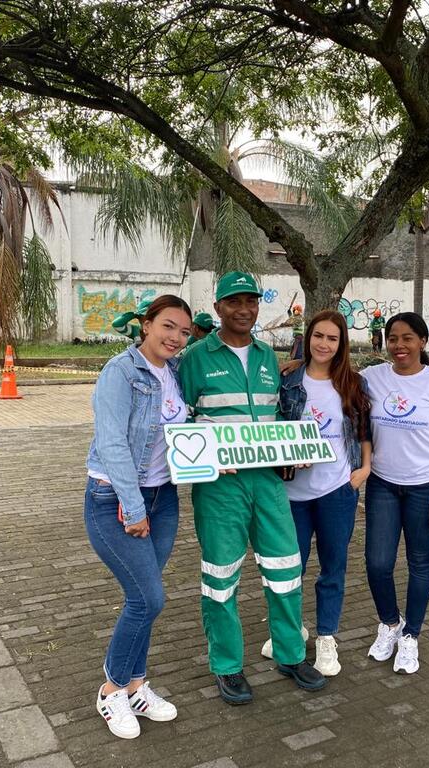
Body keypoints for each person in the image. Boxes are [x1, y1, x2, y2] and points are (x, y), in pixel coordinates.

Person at [178, 271, 326, 705]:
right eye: (234, 302)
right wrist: (206, 454)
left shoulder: (266, 356)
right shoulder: (195, 358)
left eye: (251, 301)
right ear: (218, 307)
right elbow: (179, 418)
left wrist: (294, 447)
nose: (244, 310)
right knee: (221, 577)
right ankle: (227, 666)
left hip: (267, 481)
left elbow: (277, 416)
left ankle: (290, 654)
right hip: (219, 487)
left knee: (286, 568)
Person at [85, 295, 192, 739]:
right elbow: (111, 443)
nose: (176, 337)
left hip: (163, 497)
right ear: (146, 325)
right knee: (147, 599)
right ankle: (111, 691)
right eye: (168, 326)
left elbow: (185, 432)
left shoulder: (176, 374)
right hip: (114, 497)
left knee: (143, 599)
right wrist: (132, 507)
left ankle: (135, 687)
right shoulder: (121, 372)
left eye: (184, 332)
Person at [271, 310, 373, 676]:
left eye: (332, 338)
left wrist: (363, 470)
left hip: (337, 490)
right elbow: (272, 427)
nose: (324, 344)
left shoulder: (353, 383)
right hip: (292, 493)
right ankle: (291, 631)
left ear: (341, 343)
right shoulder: (288, 380)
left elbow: (363, 431)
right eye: (318, 336)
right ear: (307, 337)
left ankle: (326, 636)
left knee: (333, 567)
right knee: (290, 569)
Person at [360, 311, 429, 675]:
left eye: (407, 338)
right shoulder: (372, 377)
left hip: (425, 487)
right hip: (382, 485)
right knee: (377, 563)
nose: (399, 345)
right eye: (393, 339)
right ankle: (390, 623)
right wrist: (298, 362)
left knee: (420, 562)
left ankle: (411, 636)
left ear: (422, 341)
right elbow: (330, 375)